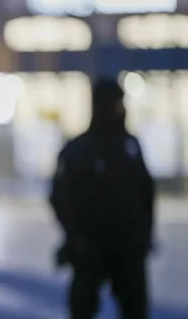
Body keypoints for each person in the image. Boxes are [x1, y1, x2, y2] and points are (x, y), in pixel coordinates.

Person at [50, 78, 155, 319]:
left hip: (128, 250)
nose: (121, 109)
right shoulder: (79, 150)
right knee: (83, 308)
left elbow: (146, 193)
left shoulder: (130, 146)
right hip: (91, 250)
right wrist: (76, 238)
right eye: (116, 103)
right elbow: (59, 196)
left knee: (135, 309)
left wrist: (144, 238)